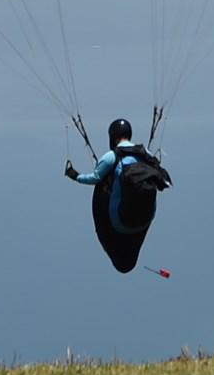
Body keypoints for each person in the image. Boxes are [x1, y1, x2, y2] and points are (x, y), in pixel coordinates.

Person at [64, 117, 171, 273]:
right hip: (146, 218)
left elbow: (94, 178)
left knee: (104, 181)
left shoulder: (111, 157)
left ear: (112, 137)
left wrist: (74, 175)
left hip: (120, 223)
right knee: (126, 263)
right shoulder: (145, 153)